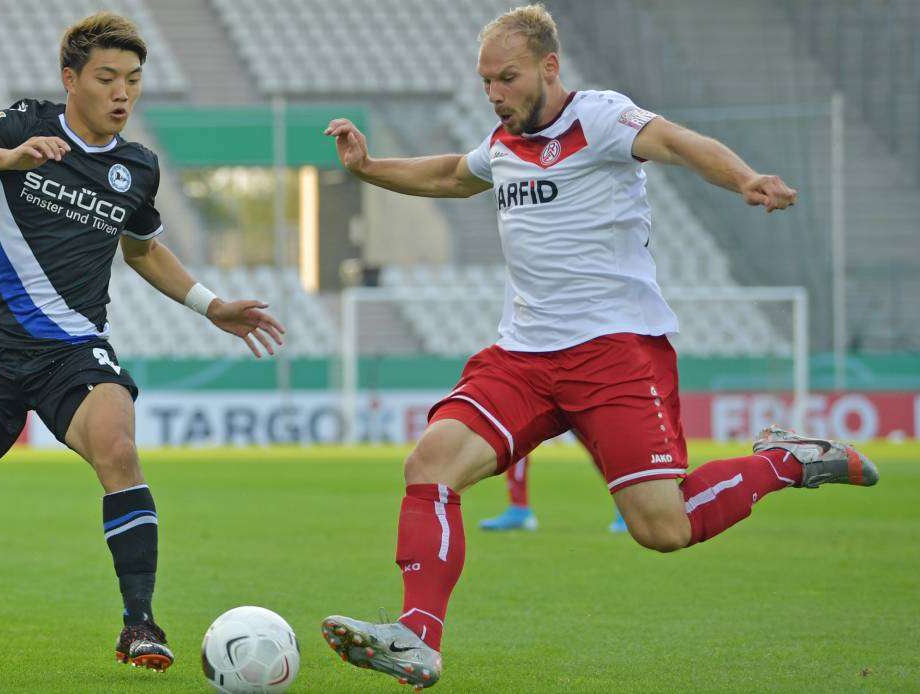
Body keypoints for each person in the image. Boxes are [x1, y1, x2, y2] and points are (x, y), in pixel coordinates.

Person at [319, 5, 877, 689]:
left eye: (508, 78)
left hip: (614, 354)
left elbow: (677, 143)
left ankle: (786, 462)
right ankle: (417, 636)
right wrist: (368, 166)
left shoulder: (603, 118)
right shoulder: (502, 144)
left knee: (662, 529)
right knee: (430, 463)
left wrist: (743, 179)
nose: (494, 93)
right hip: (523, 356)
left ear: (550, 68)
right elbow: (448, 177)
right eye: (486, 80)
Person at [0, 13, 285, 676]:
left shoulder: (136, 168)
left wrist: (211, 304)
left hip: (72, 351)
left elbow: (144, 251)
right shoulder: (23, 125)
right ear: (72, 80)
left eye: (134, 80)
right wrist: (5, 159)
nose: (123, 93)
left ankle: (139, 623)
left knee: (119, 446)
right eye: (108, 78)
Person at [478, 453, 628, 533]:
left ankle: (626, 509)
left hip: (574, 396)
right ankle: (518, 509)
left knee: (597, 446)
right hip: (545, 396)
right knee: (518, 439)